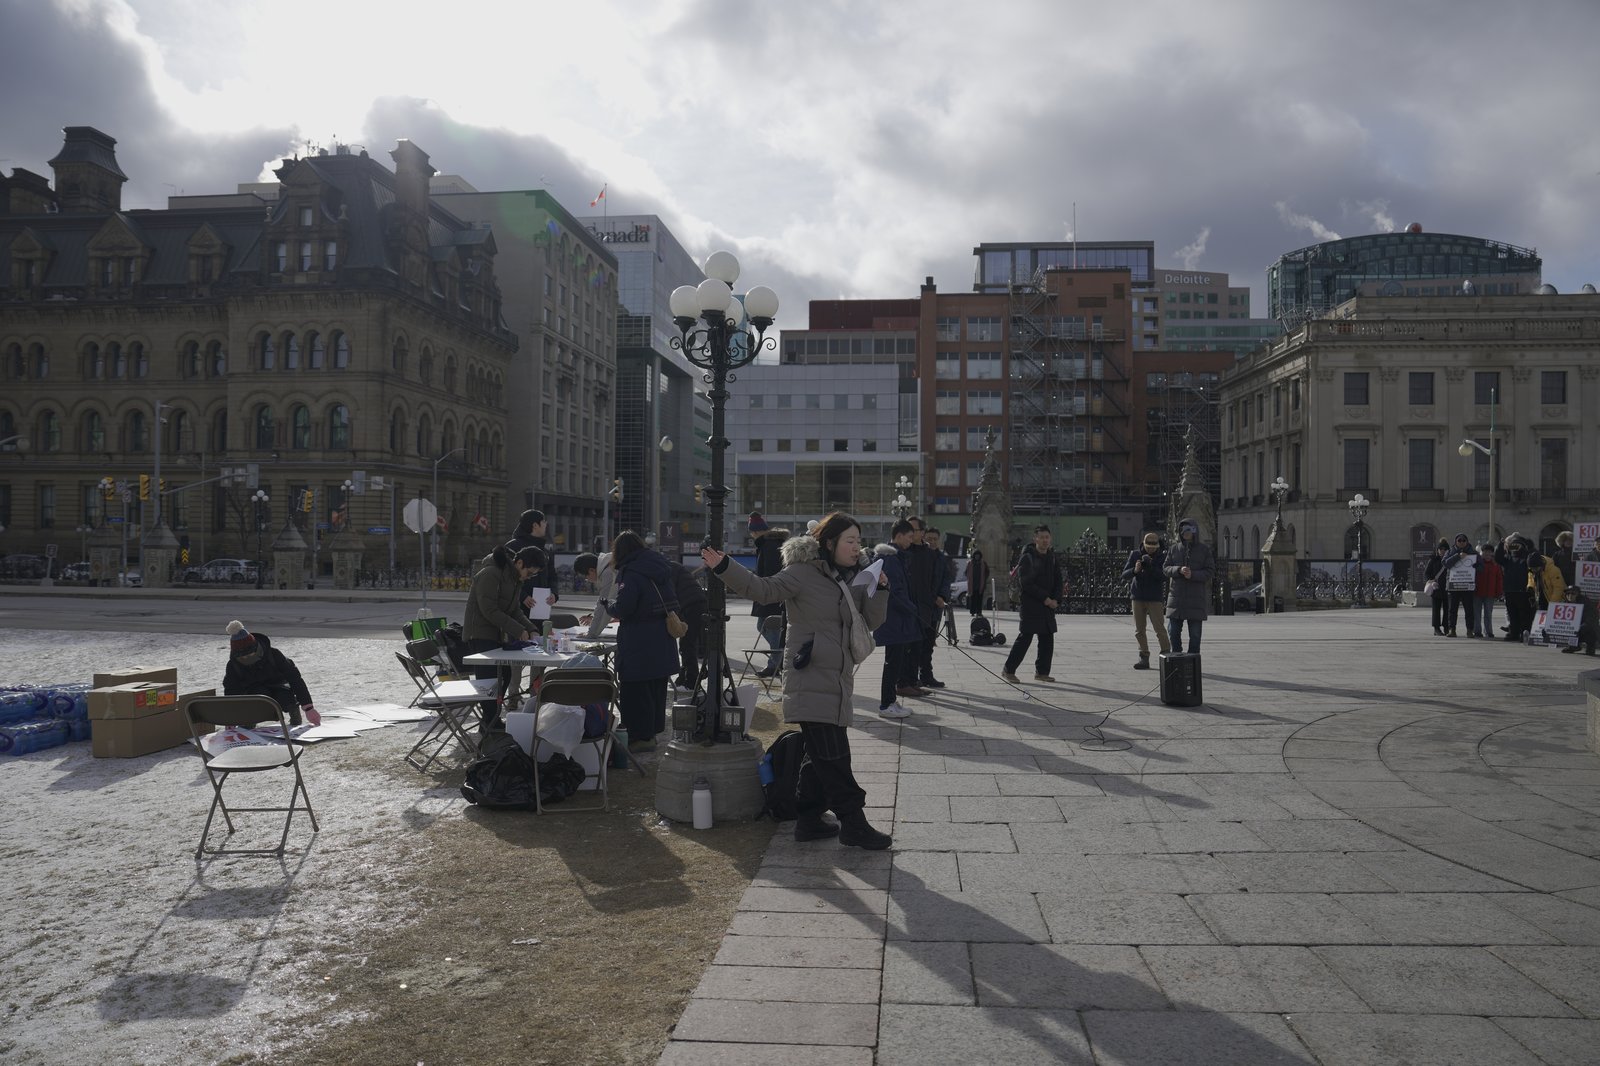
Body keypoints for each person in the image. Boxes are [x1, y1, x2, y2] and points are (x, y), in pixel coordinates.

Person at [701, 512, 893, 849]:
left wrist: (881, 590)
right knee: (835, 758)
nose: (856, 547)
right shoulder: (802, 571)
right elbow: (762, 590)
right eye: (850, 540)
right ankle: (853, 824)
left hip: (837, 680)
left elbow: (871, 622)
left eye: (858, 541)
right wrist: (724, 566)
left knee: (819, 756)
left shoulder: (854, 577)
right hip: (810, 676)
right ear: (829, 542)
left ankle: (808, 820)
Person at [606, 531, 681, 754]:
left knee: (635, 690)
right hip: (662, 638)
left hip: (638, 640)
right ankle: (652, 733)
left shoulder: (631, 572)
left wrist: (608, 605)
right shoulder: (659, 567)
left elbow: (625, 608)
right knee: (655, 687)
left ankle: (640, 736)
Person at [463, 543, 540, 731]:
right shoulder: (491, 574)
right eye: (529, 573)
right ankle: (490, 723)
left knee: (504, 674)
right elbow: (489, 610)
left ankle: (492, 719)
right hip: (479, 634)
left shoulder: (512, 579)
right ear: (519, 563)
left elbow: (514, 610)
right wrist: (517, 630)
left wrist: (530, 628)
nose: (529, 577)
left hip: (495, 635)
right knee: (489, 681)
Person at [223, 621, 320, 727]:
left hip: (279, 687)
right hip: (253, 693)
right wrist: (231, 718)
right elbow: (231, 690)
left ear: (256, 648)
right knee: (254, 701)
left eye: (250, 655)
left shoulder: (274, 654)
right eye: (243, 658)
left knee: (286, 698)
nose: (247, 659)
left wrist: (308, 708)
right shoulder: (233, 665)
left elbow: (295, 679)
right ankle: (249, 725)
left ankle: (294, 713)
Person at [872, 521, 922, 719]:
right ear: (899, 536)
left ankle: (891, 701)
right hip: (894, 619)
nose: (912, 540)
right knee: (892, 663)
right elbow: (895, 591)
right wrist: (912, 609)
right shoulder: (890, 559)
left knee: (895, 662)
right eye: (910, 536)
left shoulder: (894, 557)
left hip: (896, 619)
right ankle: (886, 704)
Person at [1003, 525, 1062, 684]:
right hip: (1031, 605)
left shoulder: (1052, 557)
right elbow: (1026, 583)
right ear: (1035, 539)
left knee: (1047, 639)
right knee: (1025, 638)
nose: (1044, 540)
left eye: (1047, 537)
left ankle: (1042, 672)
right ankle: (1009, 670)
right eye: (1041, 537)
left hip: (1048, 606)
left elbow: (1058, 580)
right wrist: (1045, 598)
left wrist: (1056, 599)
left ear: (1050, 539)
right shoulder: (1027, 557)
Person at [902, 517, 945, 689]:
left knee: (924, 646)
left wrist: (939, 596)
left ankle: (920, 678)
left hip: (927, 607)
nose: (911, 534)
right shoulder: (903, 552)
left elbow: (937, 579)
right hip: (908, 607)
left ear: (922, 532)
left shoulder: (930, 554)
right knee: (907, 648)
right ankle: (906, 681)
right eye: (908, 530)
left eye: (914, 530)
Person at [1164, 518, 1214, 654]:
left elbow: (1209, 571)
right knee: (1173, 632)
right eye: (1183, 530)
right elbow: (1166, 568)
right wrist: (1178, 570)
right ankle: (1177, 657)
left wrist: (1193, 575)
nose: (1185, 533)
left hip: (1196, 599)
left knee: (1195, 636)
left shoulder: (1204, 550)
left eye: (1189, 529)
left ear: (1195, 531)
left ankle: (1192, 661)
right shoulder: (1174, 549)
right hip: (1177, 598)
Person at [748, 514, 790, 677]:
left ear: (755, 531)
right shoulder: (772, 543)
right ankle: (776, 661)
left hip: (770, 593)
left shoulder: (768, 545)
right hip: (773, 592)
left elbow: (770, 571)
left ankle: (777, 660)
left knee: (764, 626)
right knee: (768, 626)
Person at [1121, 532, 1170, 669]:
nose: (1150, 549)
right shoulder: (1135, 555)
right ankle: (1144, 656)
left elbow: (1163, 576)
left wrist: (1151, 567)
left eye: (1153, 547)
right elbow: (1124, 575)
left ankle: (1167, 654)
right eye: (1148, 547)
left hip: (1154, 597)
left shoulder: (1162, 556)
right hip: (1138, 596)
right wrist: (1135, 570)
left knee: (1159, 628)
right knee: (1139, 629)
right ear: (1143, 544)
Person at [506, 509, 559, 621]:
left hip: (541, 610)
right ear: (535, 525)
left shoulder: (544, 551)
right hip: (517, 610)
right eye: (544, 522)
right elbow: (506, 577)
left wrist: (554, 593)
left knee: (539, 637)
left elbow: (553, 576)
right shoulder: (512, 547)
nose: (546, 525)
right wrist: (522, 596)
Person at [670, 559, 708, 692]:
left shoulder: (664, 571)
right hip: (698, 603)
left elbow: (669, 595)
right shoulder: (674, 566)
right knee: (687, 643)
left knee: (687, 645)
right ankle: (683, 678)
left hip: (690, 606)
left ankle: (691, 682)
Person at [1495, 534, 1536, 641]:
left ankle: (1524, 633)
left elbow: (1534, 559)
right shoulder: (1508, 558)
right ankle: (1513, 633)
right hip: (1509, 590)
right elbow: (1498, 558)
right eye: (1513, 545)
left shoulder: (1527, 557)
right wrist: (1501, 545)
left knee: (1524, 614)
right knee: (1512, 614)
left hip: (1523, 591)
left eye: (1518, 545)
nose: (1515, 547)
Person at [1440, 533, 1480, 637]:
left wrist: (1475, 566)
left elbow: (1482, 568)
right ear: (1456, 542)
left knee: (1469, 610)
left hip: (1468, 585)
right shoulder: (1450, 551)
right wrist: (1457, 556)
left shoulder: (1473, 552)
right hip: (1454, 586)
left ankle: (1470, 630)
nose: (1461, 542)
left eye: (1463, 540)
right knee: (1452, 610)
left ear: (1467, 541)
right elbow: (1445, 563)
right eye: (1459, 540)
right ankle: (1452, 630)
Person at [571, 551, 617, 638]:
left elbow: (604, 606)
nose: (587, 580)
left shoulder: (608, 573)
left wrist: (591, 634)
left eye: (586, 576)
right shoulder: (608, 565)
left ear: (591, 570)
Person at [1474, 543, 1504, 642]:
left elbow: (1499, 580)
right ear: (1481, 553)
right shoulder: (1476, 564)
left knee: (1488, 613)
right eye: (1485, 552)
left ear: (1492, 553)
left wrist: (1499, 593)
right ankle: (1477, 631)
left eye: (1489, 552)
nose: (1487, 554)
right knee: (1477, 613)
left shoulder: (1496, 566)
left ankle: (1488, 631)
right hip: (1477, 593)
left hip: (1490, 594)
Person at [1558, 586, 1597, 656]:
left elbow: (1591, 620)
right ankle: (1573, 646)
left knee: (1592, 629)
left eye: (1573, 593)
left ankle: (1591, 646)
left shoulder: (1587, 604)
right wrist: (1548, 630)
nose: (1570, 595)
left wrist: (1581, 627)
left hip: (1586, 627)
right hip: (1575, 628)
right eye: (1567, 593)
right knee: (1566, 627)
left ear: (1578, 594)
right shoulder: (1564, 604)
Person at [1424, 539, 1450, 636]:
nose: (1442, 551)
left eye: (1444, 549)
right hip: (1436, 589)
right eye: (1440, 549)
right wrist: (1430, 580)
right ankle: (1436, 628)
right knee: (1436, 609)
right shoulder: (1433, 560)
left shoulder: (1450, 560)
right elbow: (1426, 573)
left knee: (1447, 609)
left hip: (1447, 588)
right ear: (1437, 550)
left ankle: (1447, 627)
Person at [965, 549, 989, 618]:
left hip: (980, 584)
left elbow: (987, 572)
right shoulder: (970, 563)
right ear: (974, 556)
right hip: (972, 584)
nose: (977, 557)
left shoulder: (983, 563)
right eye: (976, 555)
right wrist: (969, 578)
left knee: (979, 599)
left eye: (978, 555)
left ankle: (979, 612)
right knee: (973, 598)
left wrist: (984, 578)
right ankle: (972, 612)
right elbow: (966, 572)